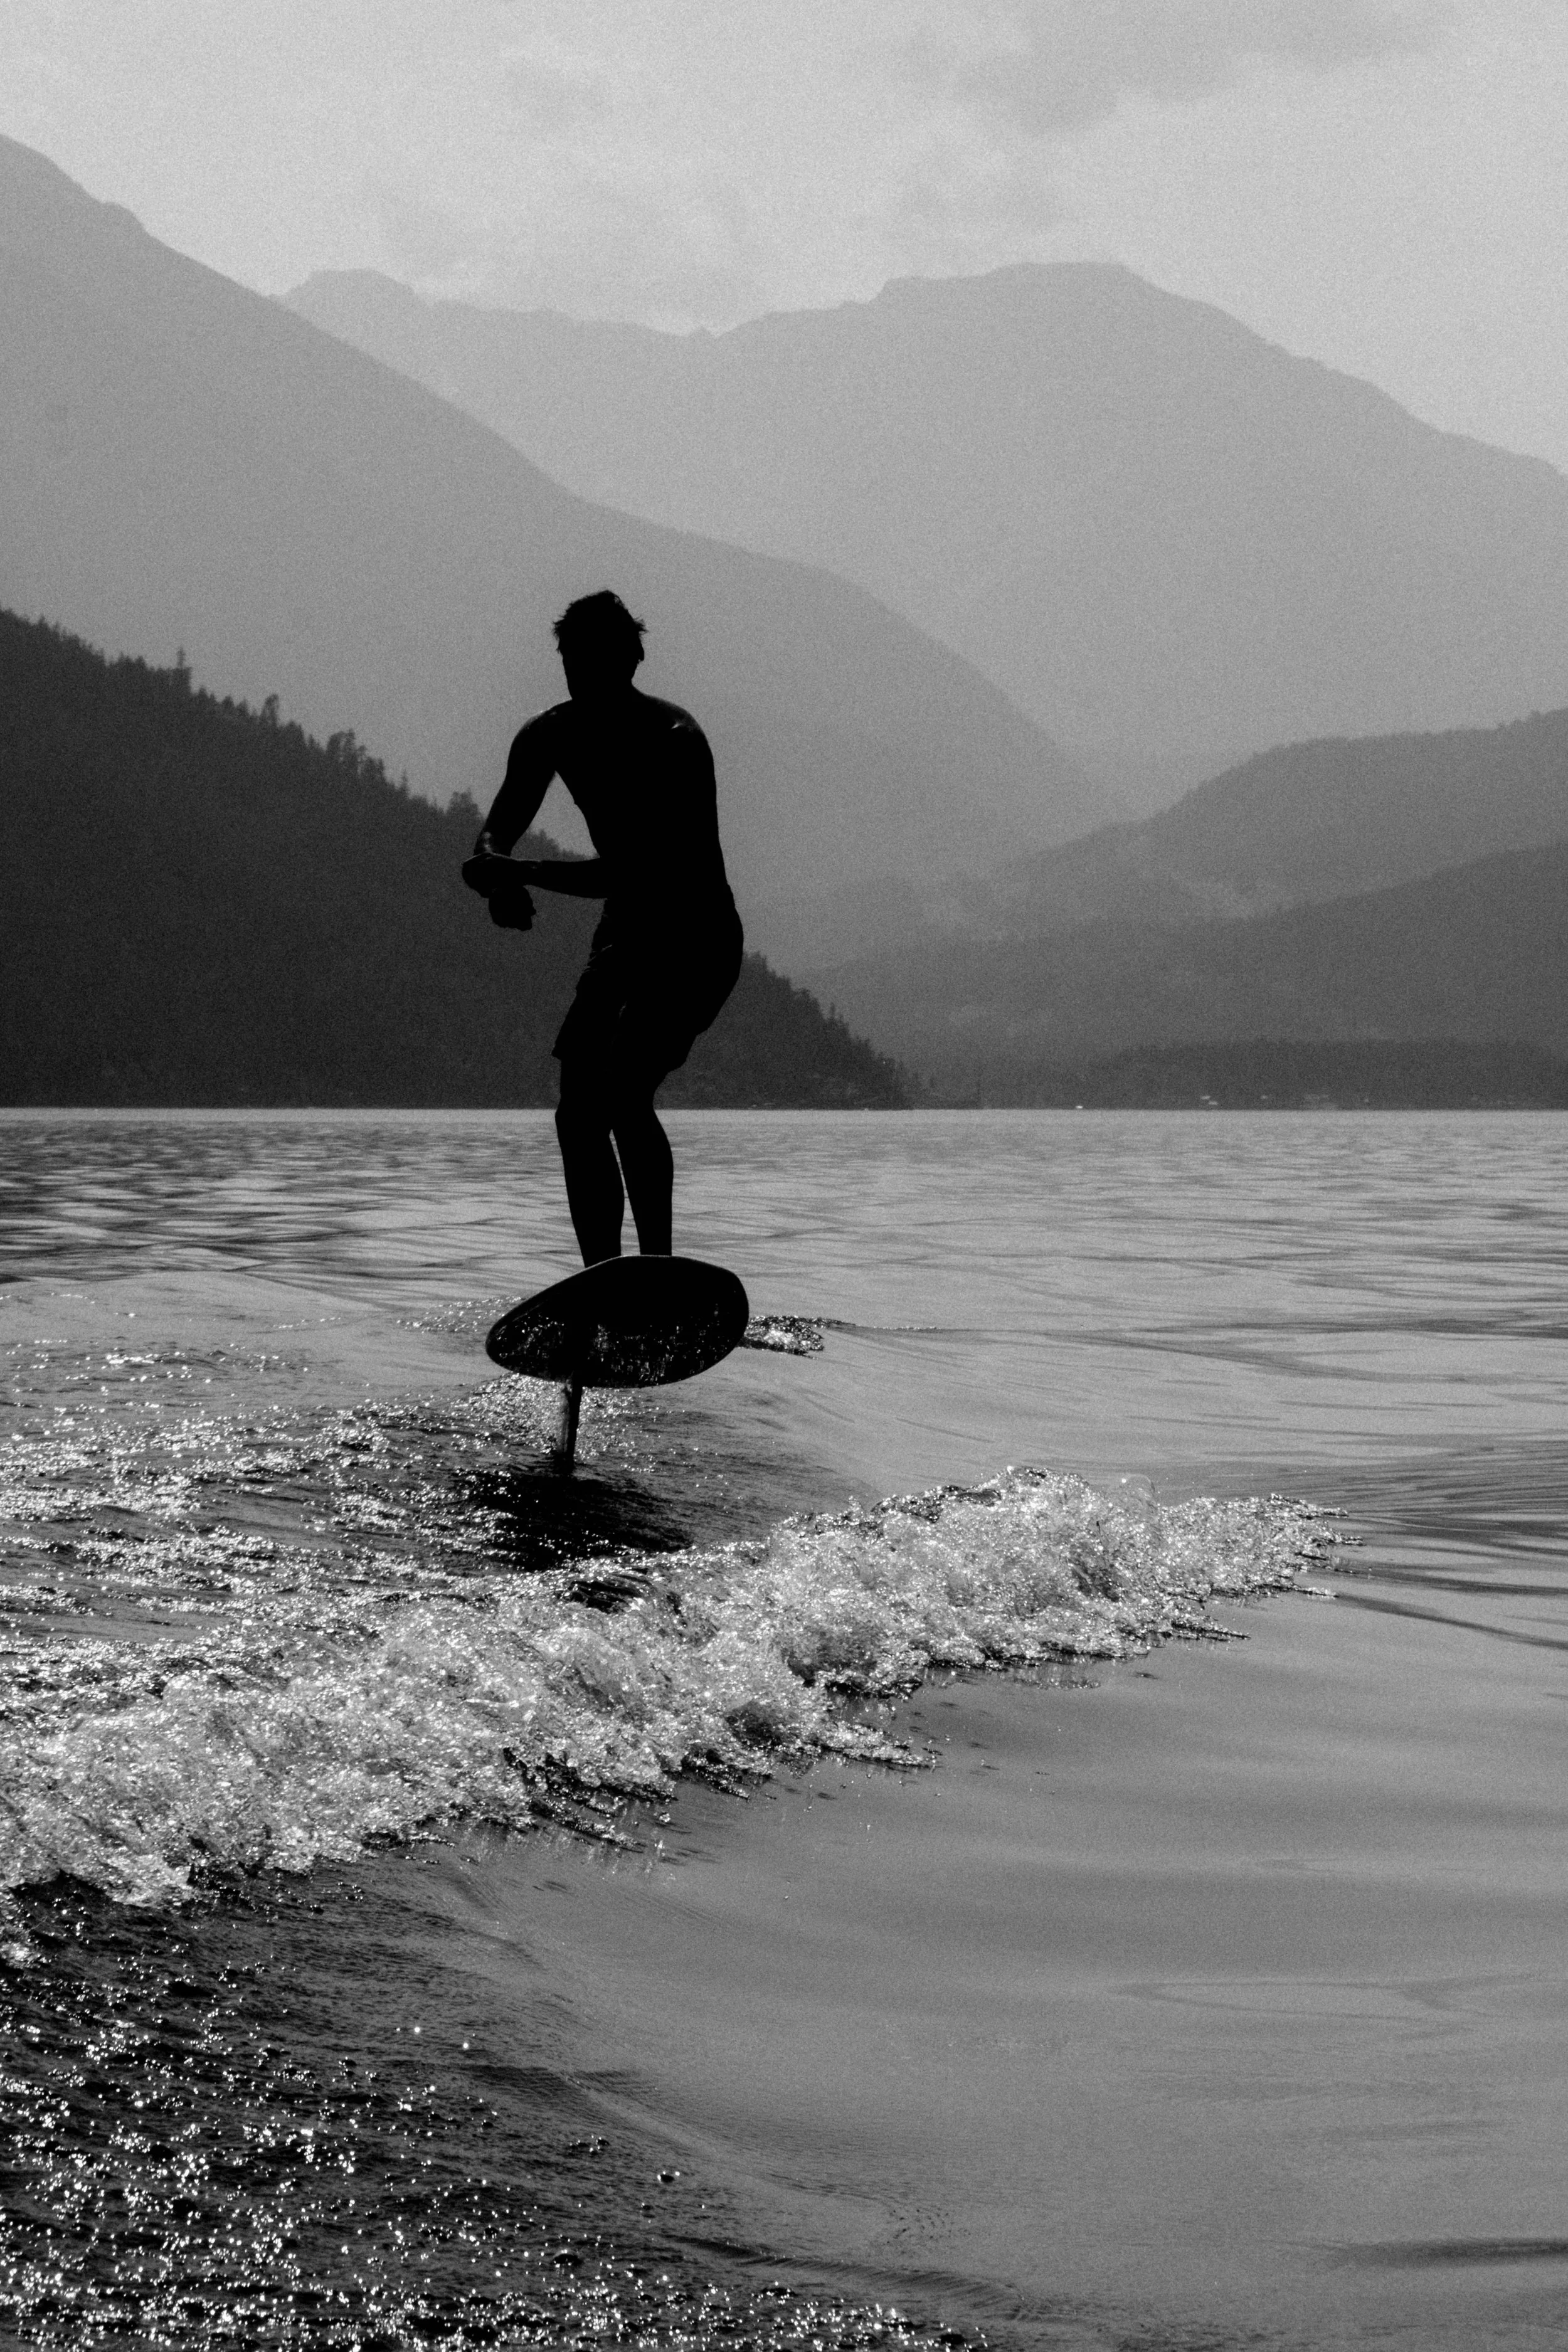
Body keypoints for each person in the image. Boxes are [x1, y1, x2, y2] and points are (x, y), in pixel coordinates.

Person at [462, 591, 743, 1266]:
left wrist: (519, 872)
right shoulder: (548, 736)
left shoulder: (675, 741)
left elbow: (632, 870)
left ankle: (657, 1268)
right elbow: (498, 829)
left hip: (695, 936)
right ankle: (601, 1280)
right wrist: (495, 871)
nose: (580, 674)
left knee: (623, 1091)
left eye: (596, 660)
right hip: (626, 936)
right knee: (576, 1110)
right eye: (571, 659)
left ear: (632, 660)